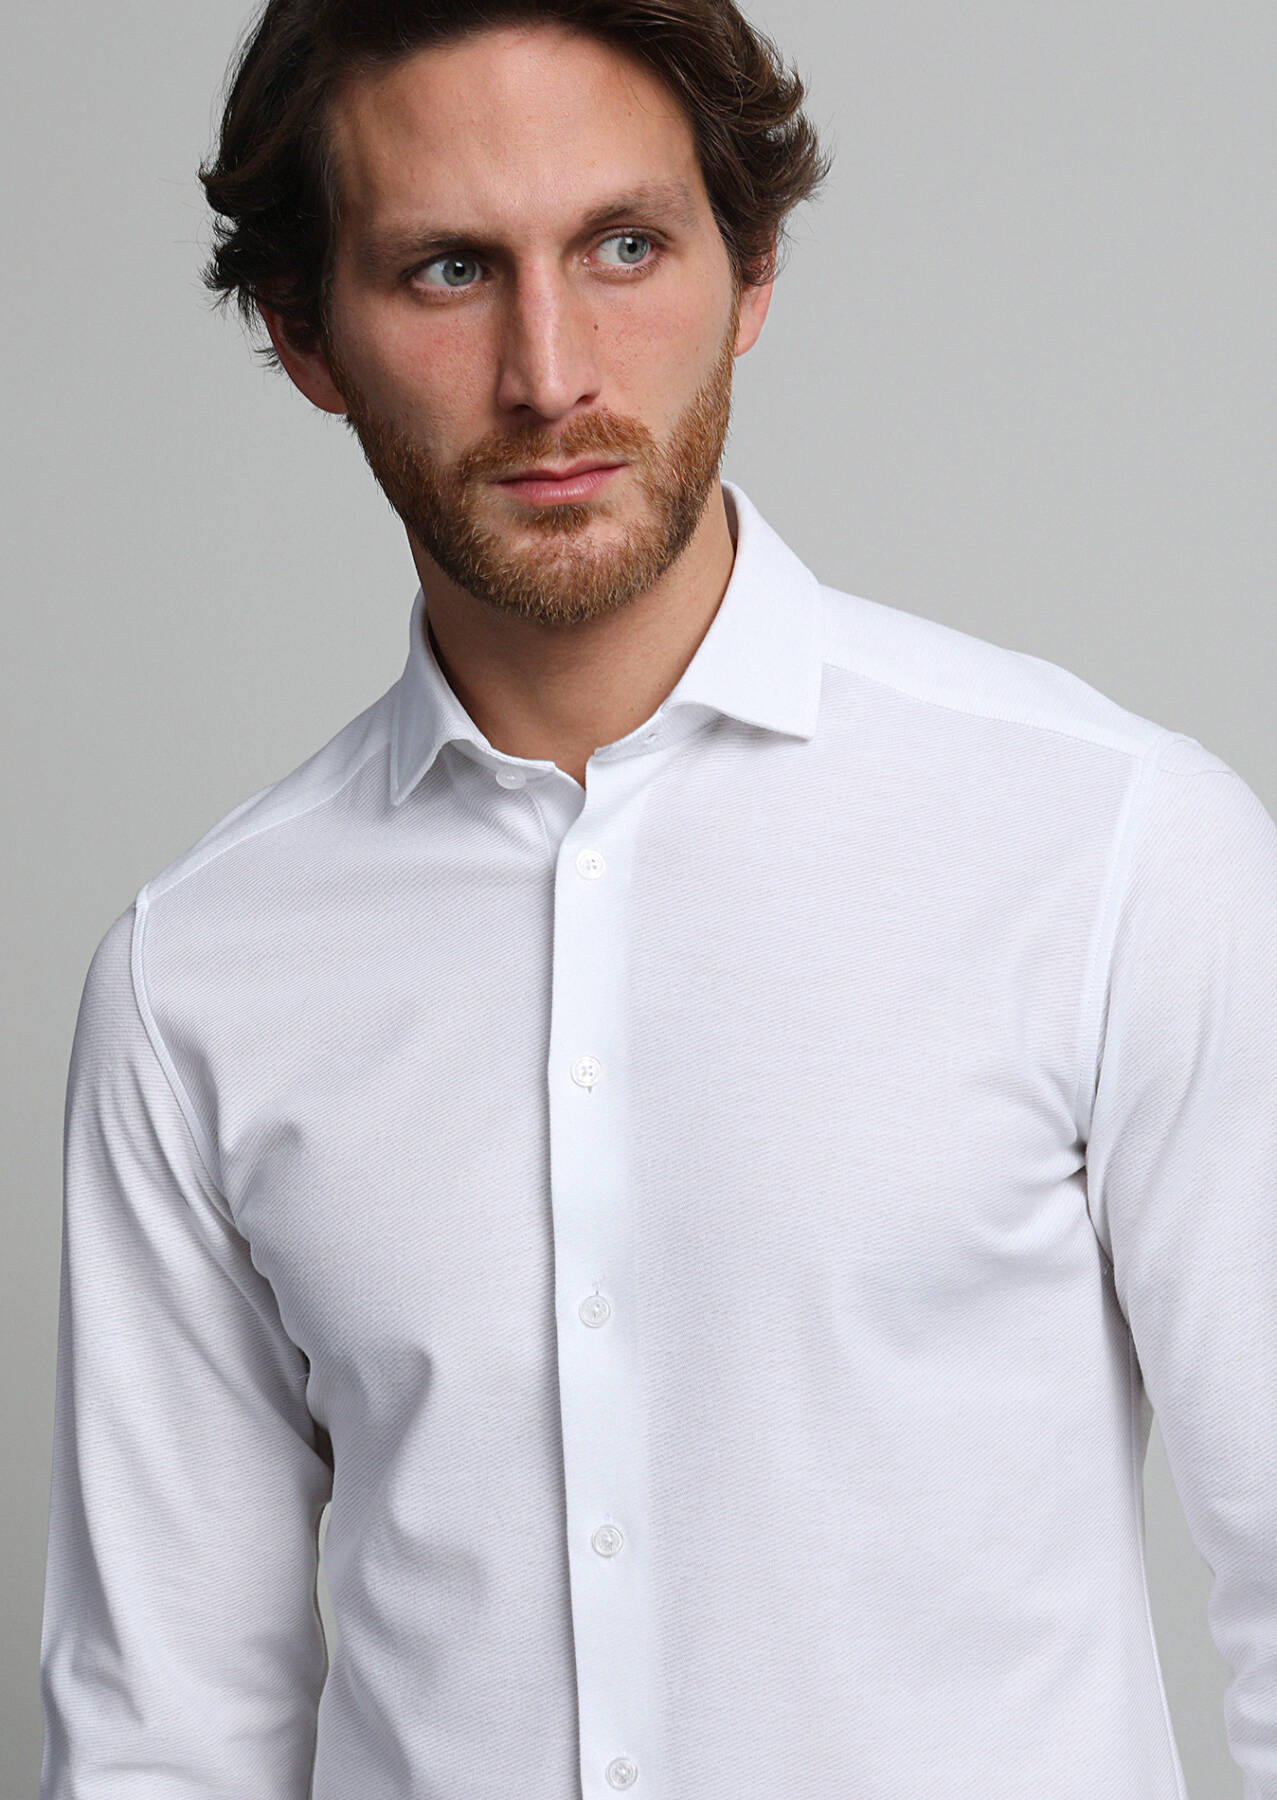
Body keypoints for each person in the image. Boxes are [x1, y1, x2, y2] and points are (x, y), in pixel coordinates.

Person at [37, 2, 1277, 1797]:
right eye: (449, 269)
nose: (550, 373)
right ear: (305, 333)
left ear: (748, 269)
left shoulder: (1111, 849)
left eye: (622, 246)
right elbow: (165, 1734)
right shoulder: (195, 981)